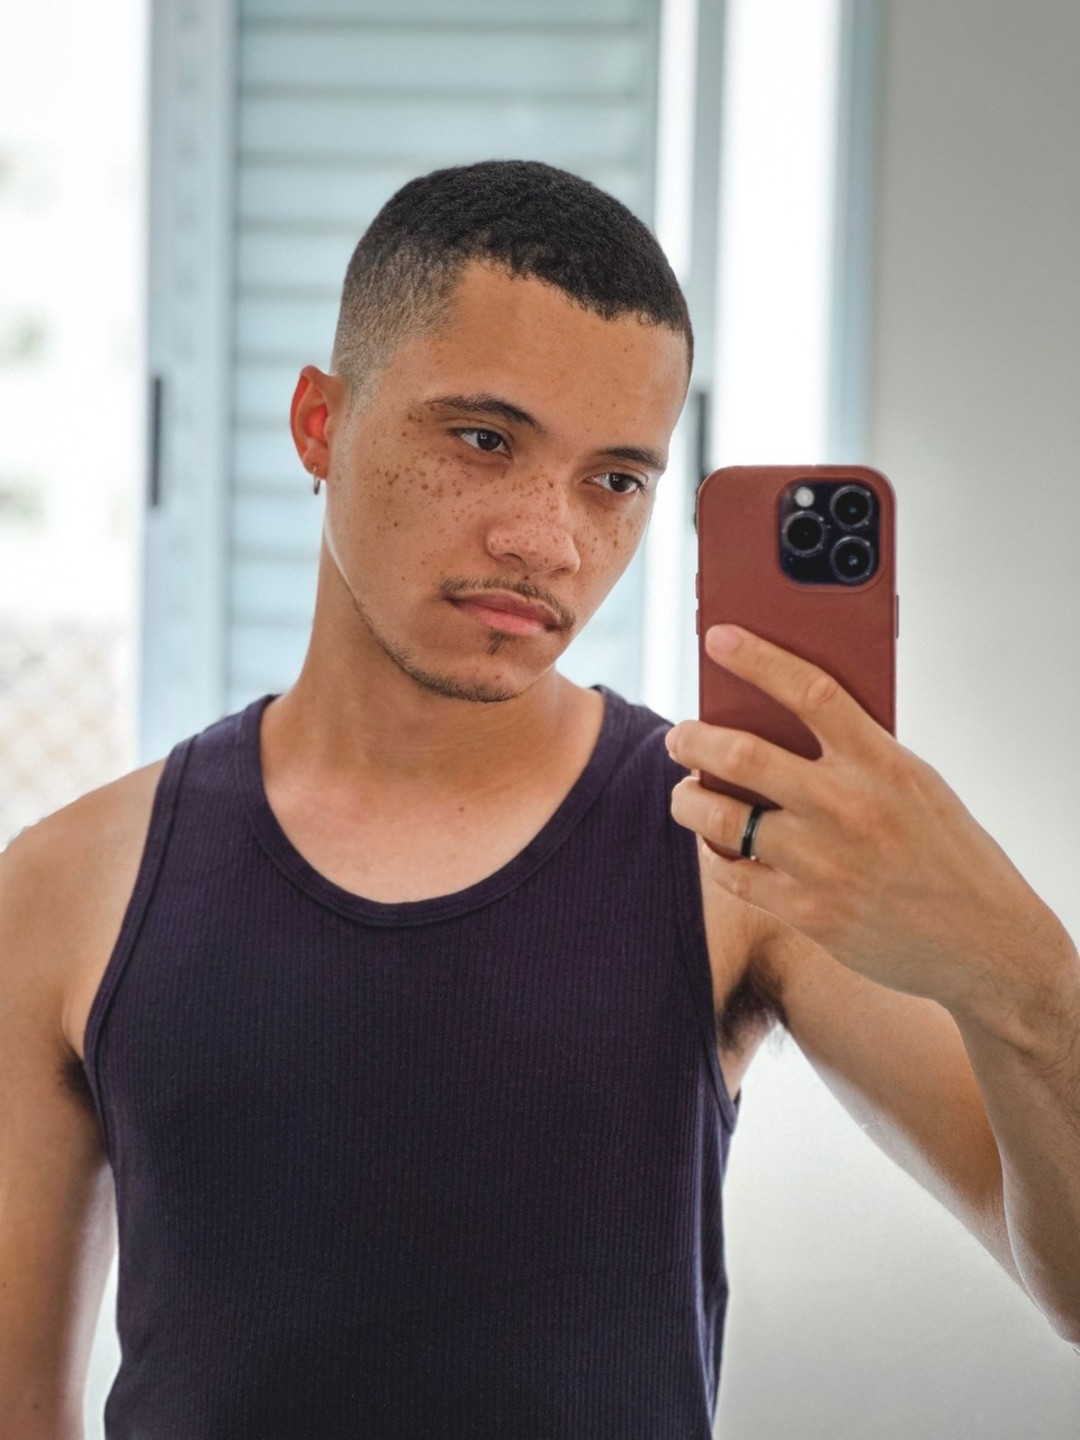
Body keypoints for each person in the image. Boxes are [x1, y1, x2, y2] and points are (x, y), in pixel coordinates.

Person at [0, 159, 1077, 1440]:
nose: (548, 541)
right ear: (320, 424)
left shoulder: (735, 848)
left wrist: (1021, 972)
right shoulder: (65, 889)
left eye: (614, 480)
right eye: (484, 440)